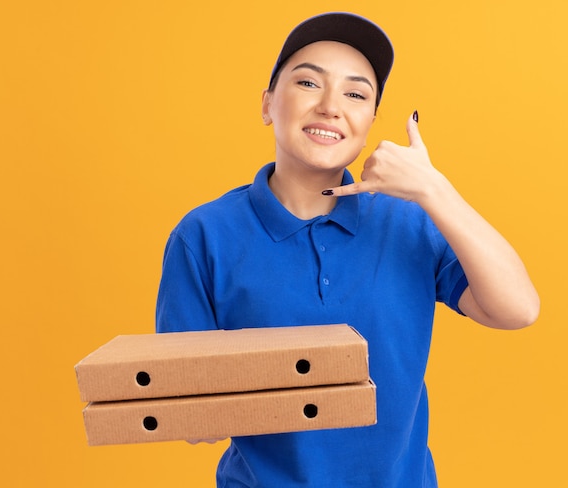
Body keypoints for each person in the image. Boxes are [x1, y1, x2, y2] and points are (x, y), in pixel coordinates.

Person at [156, 11, 539, 487]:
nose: (331, 107)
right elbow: (189, 419)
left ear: (369, 121)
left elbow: (518, 309)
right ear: (267, 104)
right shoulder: (204, 235)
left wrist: (435, 191)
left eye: (356, 94)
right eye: (309, 84)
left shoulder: (409, 222)